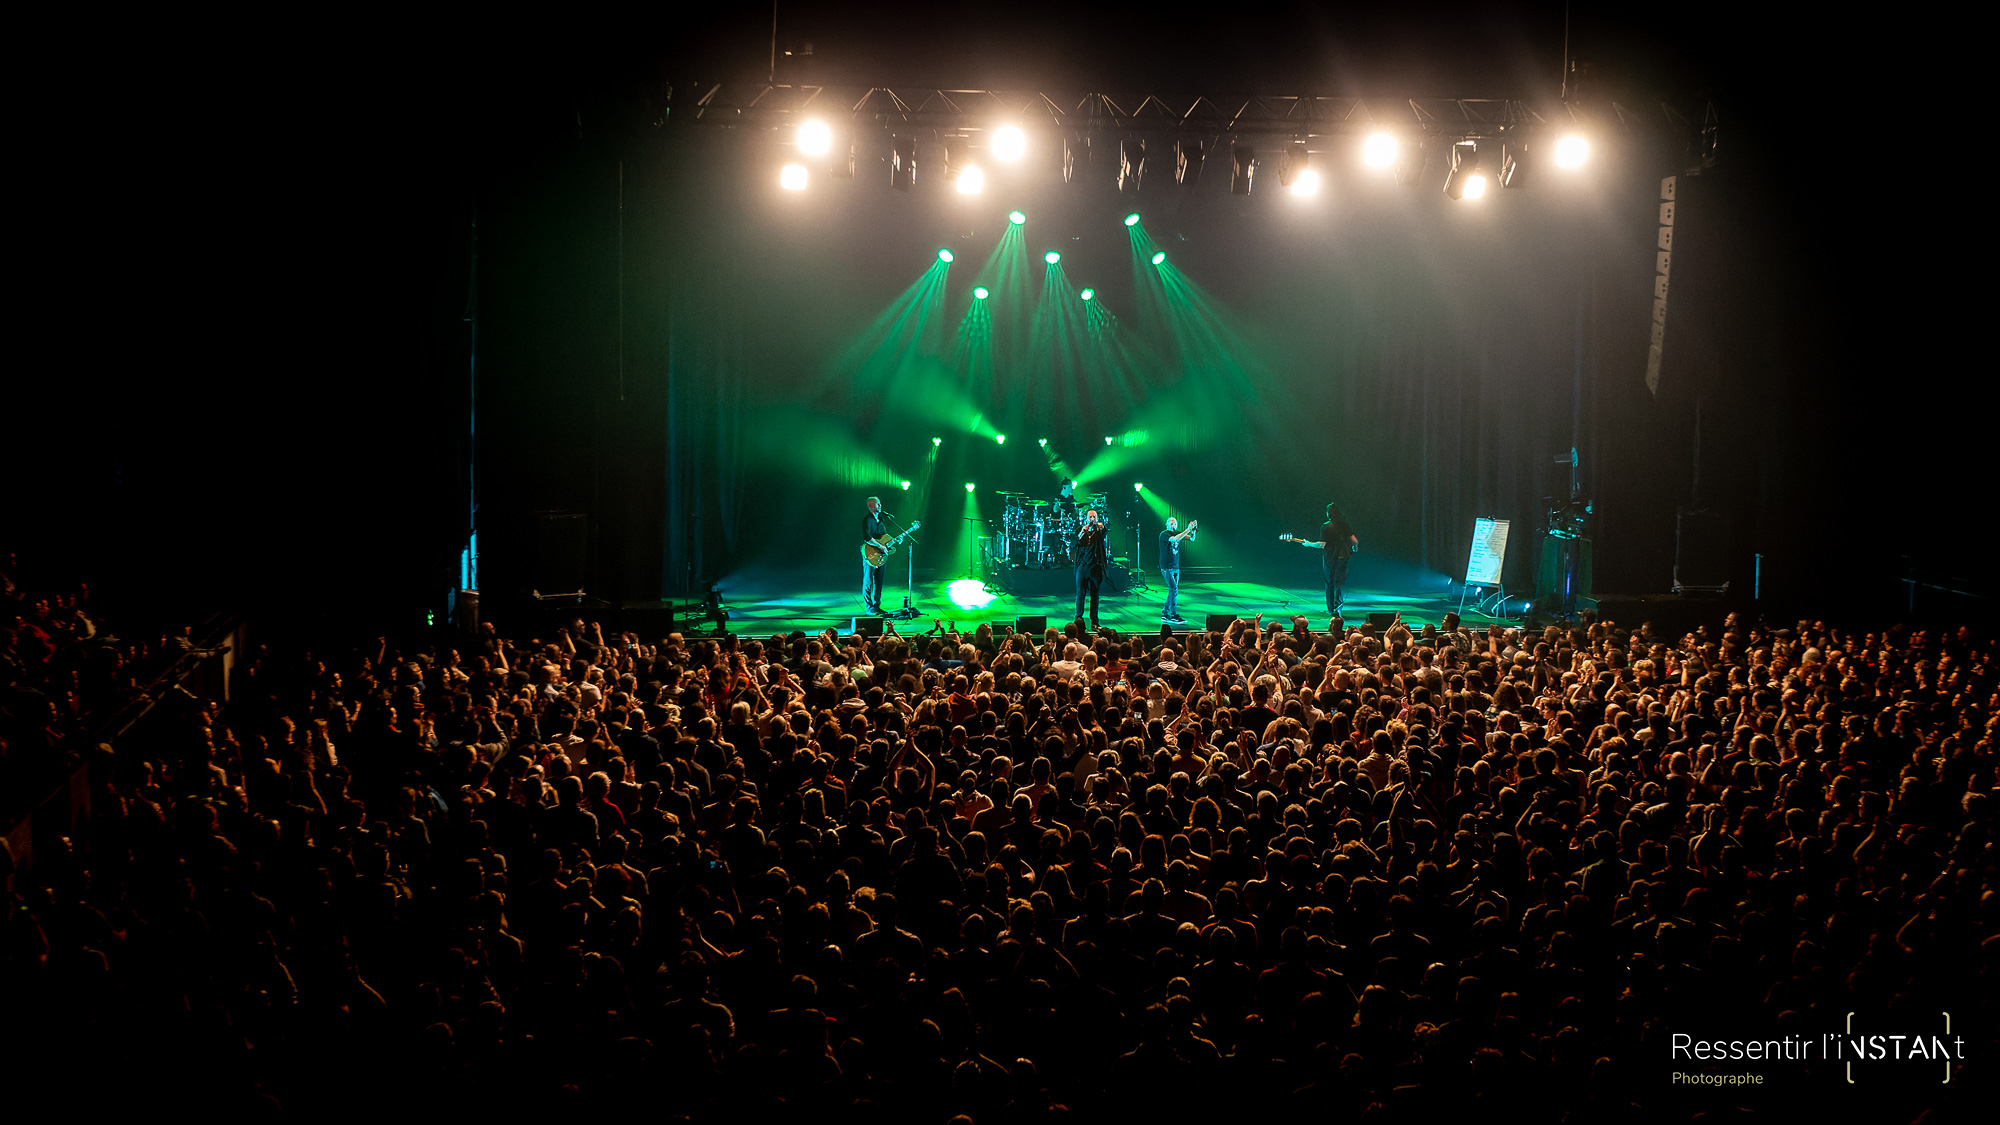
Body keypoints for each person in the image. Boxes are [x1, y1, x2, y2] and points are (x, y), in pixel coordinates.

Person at [1158, 517, 1198, 625]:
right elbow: (1174, 539)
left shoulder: (1178, 533)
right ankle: (1173, 614)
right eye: (1171, 524)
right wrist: (1188, 529)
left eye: (1175, 524)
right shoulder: (1164, 534)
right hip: (1166, 567)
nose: (1173, 526)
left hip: (1175, 566)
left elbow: (1192, 539)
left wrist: (1193, 530)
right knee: (1174, 589)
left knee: (1172, 590)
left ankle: (1165, 614)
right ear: (1166, 525)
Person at [1074, 508, 1110, 629]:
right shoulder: (1081, 530)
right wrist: (1084, 531)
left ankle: (1094, 622)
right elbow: (1078, 541)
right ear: (1086, 518)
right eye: (1090, 517)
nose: (1092, 519)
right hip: (1082, 567)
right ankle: (1078, 620)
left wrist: (1101, 527)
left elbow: (1105, 531)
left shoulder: (1099, 532)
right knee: (1080, 594)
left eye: (1094, 517)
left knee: (1095, 594)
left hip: (1095, 568)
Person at [861, 496, 887, 616]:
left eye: (880, 504)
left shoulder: (881, 520)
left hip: (880, 555)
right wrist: (880, 546)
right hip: (869, 553)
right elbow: (867, 537)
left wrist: (892, 541)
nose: (880, 506)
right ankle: (869, 607)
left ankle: (877, 605)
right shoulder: (867, 520)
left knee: (879, 580)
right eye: (878, 504)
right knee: (868, 581)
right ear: (871, 506)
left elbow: (884, 537)